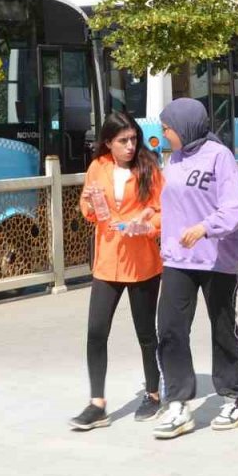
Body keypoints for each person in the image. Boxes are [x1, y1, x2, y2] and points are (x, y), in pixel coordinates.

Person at [153, 98, 238, 439]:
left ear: (185, 126)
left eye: (167, 128)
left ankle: (232, 395)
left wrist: (205, 227)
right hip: (179, 259)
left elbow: (236, 205)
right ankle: (178, 402)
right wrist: (146, 225)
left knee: (222, 326)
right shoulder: (174, 160)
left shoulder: (219, 156)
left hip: (217, 258)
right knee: (169, 328)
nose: (164, 133)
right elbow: (170, 208)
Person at [69, 112, 164, 431]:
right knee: (96, 332)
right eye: (123, 141)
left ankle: (153, 393)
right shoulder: (98, 167)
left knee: (146, 333)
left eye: (133, 139)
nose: (130, 145)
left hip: (142, 261)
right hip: (108, 261)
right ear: (108, 142)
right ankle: (97, 404)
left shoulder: (149, 167)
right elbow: (89, 211)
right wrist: (88, 204)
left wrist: (147, 225)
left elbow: (164, 210)